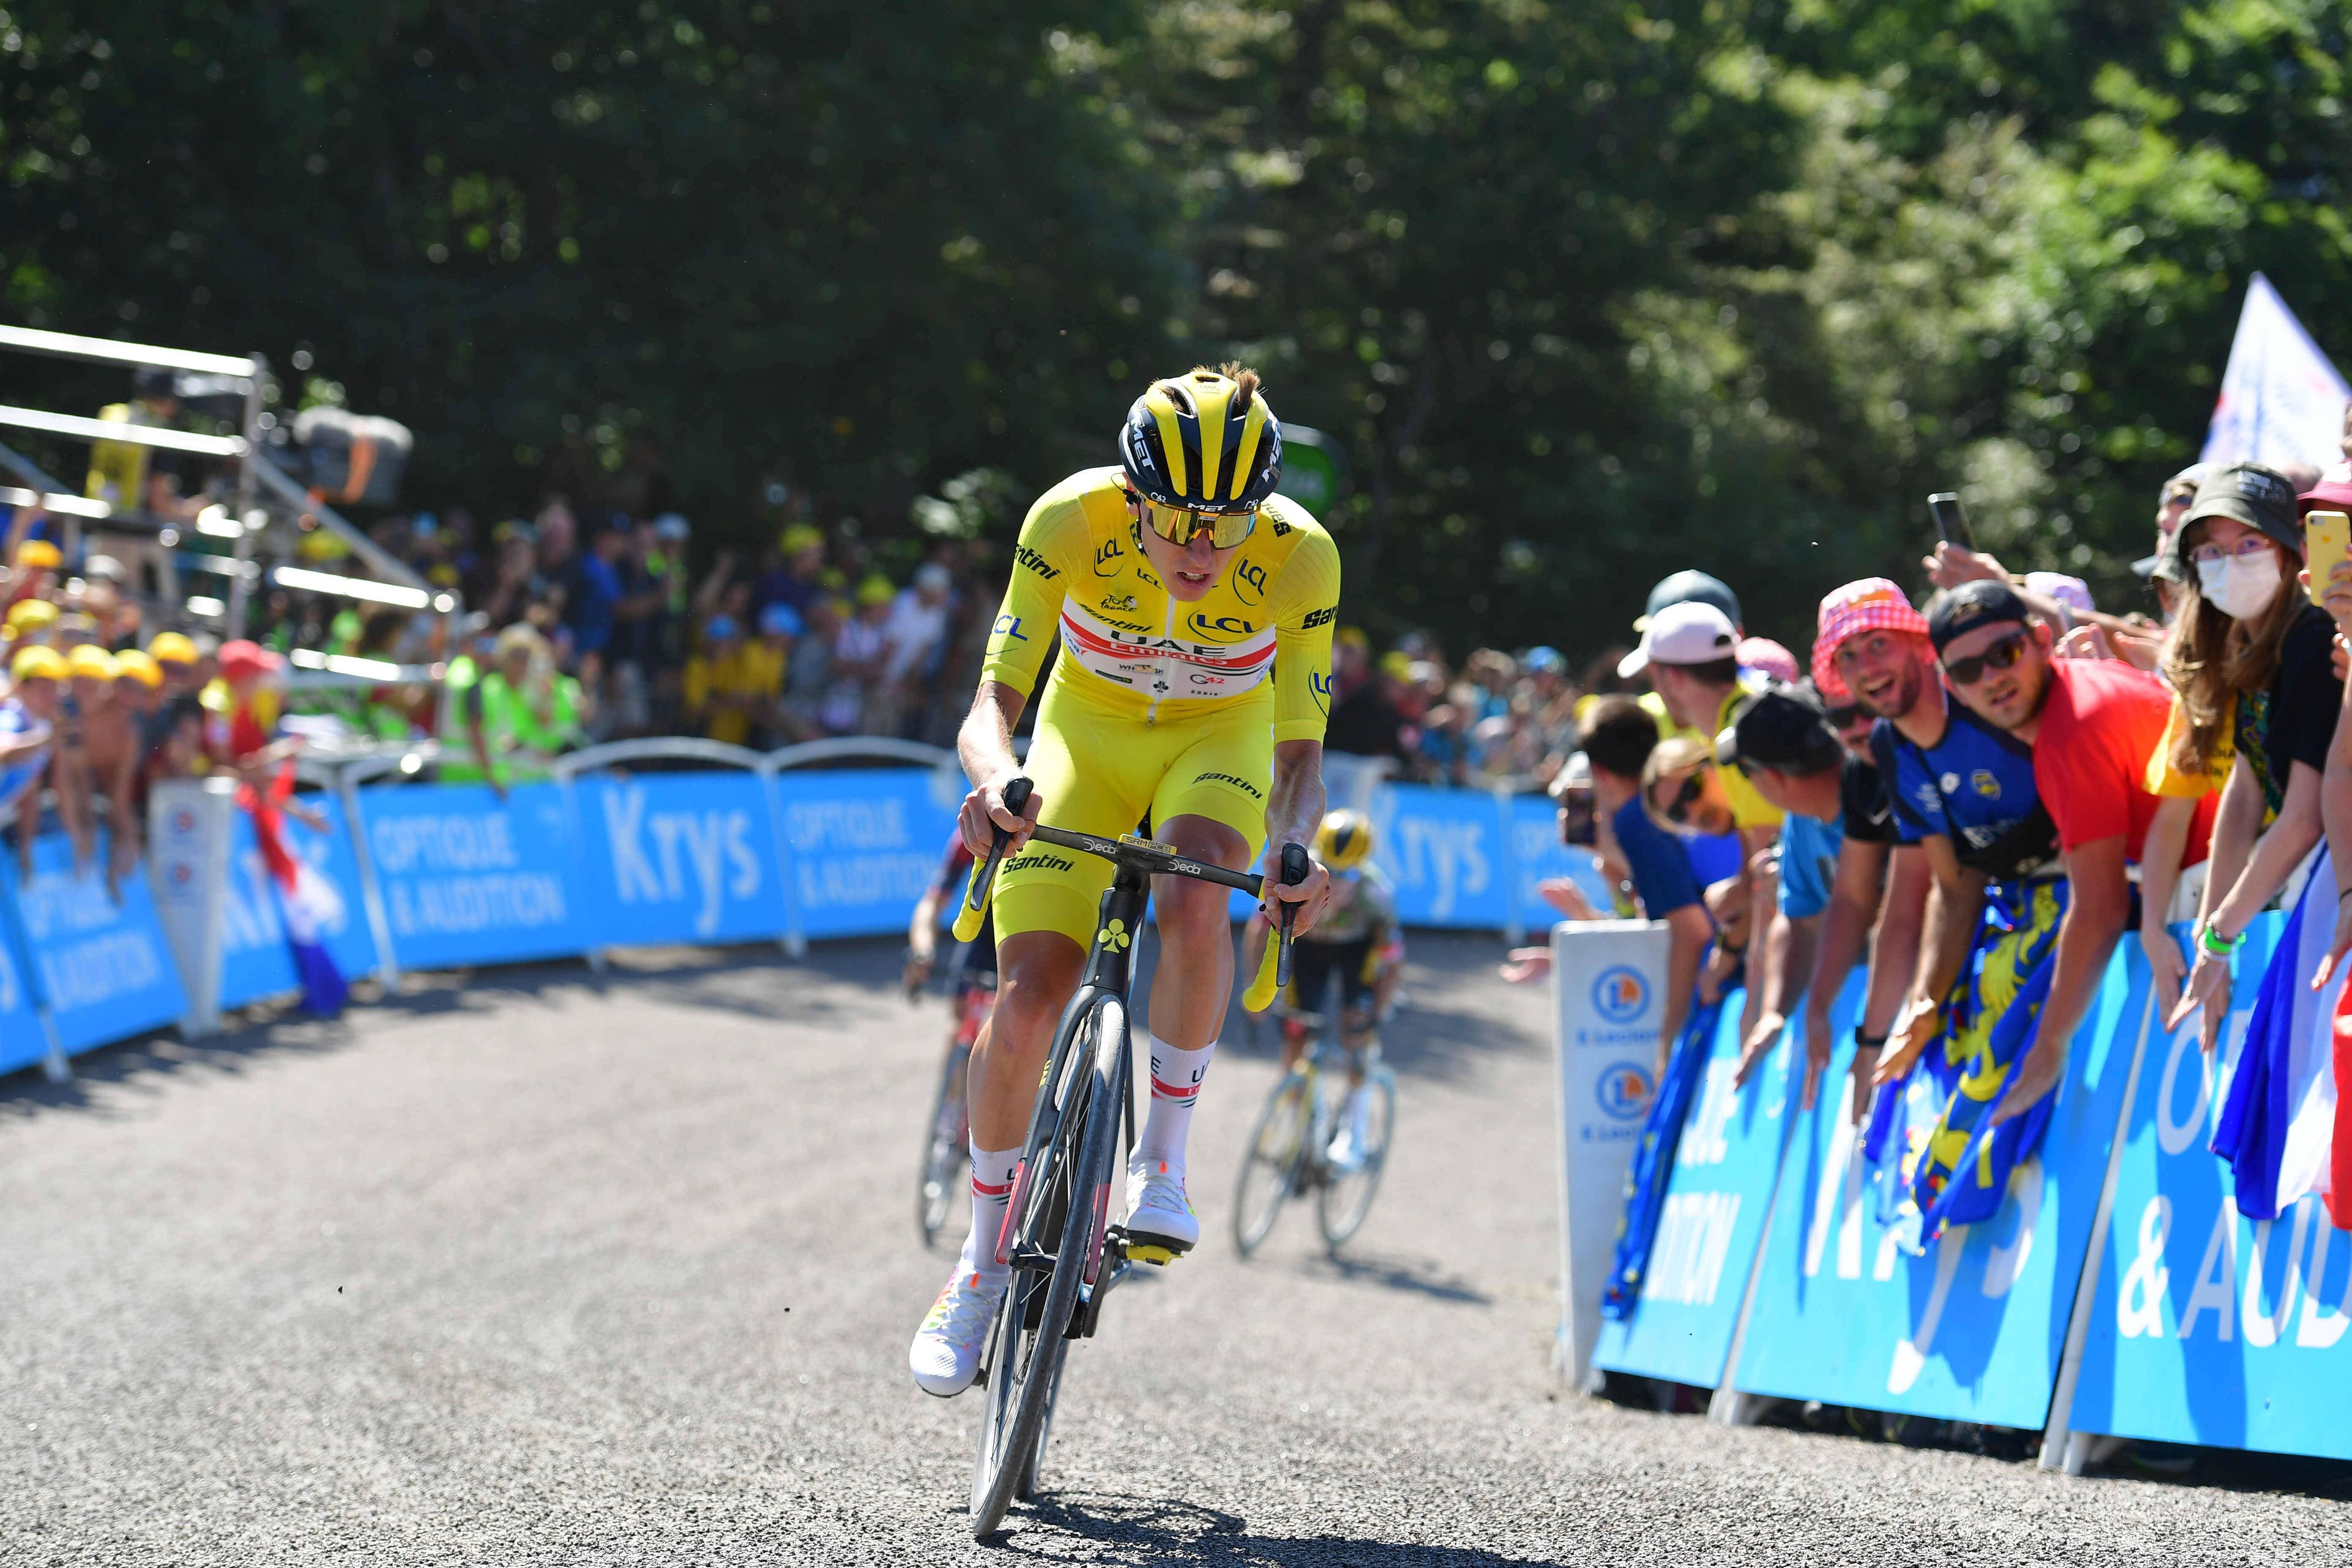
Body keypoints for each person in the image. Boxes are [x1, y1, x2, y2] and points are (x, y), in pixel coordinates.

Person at [910, 363, 1338, 1399]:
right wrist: (995, 783)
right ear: (1134, 495)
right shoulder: (1068, 517)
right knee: (1029, 994)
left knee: (1201, 895)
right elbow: (989, 708)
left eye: (1226, 523)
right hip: (1082, 740)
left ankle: (1164, 1164)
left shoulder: (1300, 556)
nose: (1201, 549)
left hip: (1215, 743)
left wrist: (1293, 854)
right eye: (1179, 521)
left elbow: (1299, 764)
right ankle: (976, 1262)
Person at [2150, 463, 2344, 1051]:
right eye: (2209, 549)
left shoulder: (2311, 636)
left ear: (2290, 553)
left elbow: (2303, 817)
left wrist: (2217, 941)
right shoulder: (2243, 640)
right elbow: (2244, 792)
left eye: (2249, 543)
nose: (2228, 561)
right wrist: (2211, 929)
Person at [1718, 683, 1903, 1116]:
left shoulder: (1883, 787)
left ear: (1774, 778)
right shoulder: (1802, 818)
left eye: (1747, 772)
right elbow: (1798, 920)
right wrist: (1776, 1011)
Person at [1804, 581, 1937, 1119]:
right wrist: (1848, 1027)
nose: (1867, 667)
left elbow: (1921, 902)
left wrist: (1877, 1040)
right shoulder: (1876, 759)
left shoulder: (1966, 714)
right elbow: (1865, 900)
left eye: (1879, 643)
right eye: (1849, 656)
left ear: (1919, 642)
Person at [1580, 698, 1742, 1066]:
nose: (1687, 815)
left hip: (1724, 975)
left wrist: (1670, 1040)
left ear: (1599, 772)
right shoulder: (1654, 802)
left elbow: (1692, 930)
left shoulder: (1636, 819)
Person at [1280, 809, 1403, 1166]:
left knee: (1356, 1032)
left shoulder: (1377, 897)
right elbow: (1261, 934)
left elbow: (1392, 963)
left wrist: (1375, 1015)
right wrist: (1254, 991)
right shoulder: (1298, 878)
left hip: (1357, 952)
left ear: (1363, 868)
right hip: (1309, 948)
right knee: (1297, 1033)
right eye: (1332, 871)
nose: (1341, 884)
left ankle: (1355, 1132)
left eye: (1350, 874)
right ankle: (1296, 1126)